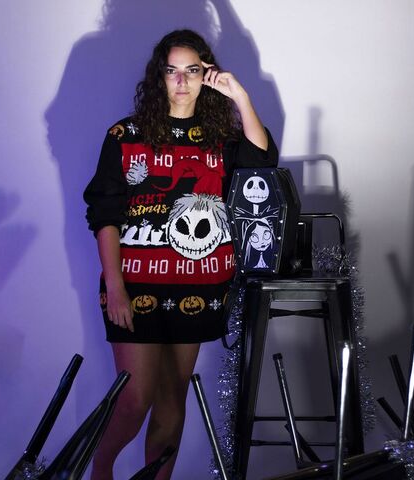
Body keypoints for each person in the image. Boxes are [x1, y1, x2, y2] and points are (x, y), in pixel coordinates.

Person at [83, 29, 278, 479]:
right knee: (135, 399)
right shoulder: (126, 135)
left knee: (173, 396)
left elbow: (261, 163)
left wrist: (239, 96)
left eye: (192, 71)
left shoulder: (220, 139)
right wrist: (114, 285)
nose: (182, 81)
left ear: (205, 75)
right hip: (137, 285)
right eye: (172, 71)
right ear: (159, 77)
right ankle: (100, 467)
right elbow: (104, 212)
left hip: (199, 287)